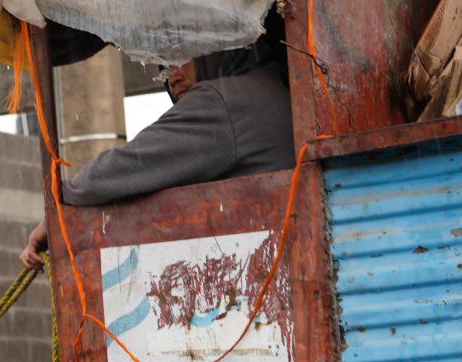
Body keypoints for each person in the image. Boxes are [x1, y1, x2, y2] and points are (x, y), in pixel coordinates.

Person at [19, 41, 295, 270]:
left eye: (181, 58)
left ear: (216, 47)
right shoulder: (270, 89)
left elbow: (122, 169)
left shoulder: (222, 101)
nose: (172, 75)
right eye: (163, 66)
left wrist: (58, 206)